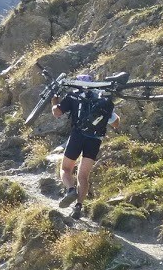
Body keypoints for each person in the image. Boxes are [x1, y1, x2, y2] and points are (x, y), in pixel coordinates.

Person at [51, 75, 120, 219]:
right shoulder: (101, 99)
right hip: (95, 140)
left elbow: (57, 113)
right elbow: (116, 123)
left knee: (65, 169)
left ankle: (70, 190)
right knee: (83, 176)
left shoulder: (73, 96)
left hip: (77, 136)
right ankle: (78, 206)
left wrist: (54, 100)